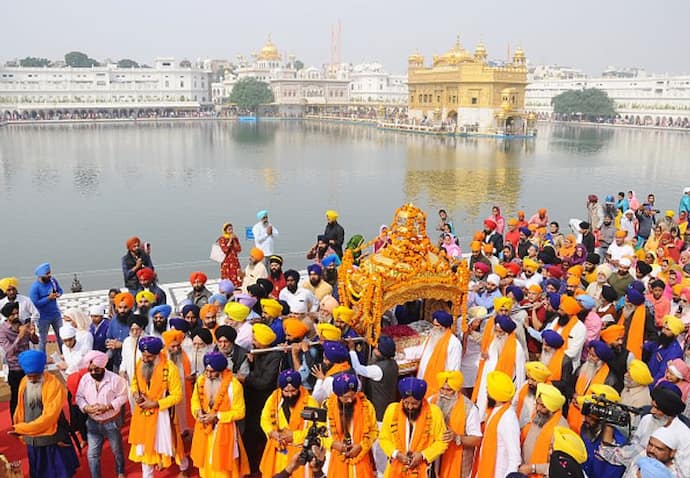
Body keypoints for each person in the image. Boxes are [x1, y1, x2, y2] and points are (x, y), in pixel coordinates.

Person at [9, 350, 79, 478]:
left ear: (42, 371)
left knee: (57, 471)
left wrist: (22, 429)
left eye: (36, 376)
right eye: (29, 376)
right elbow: (20, 408)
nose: (33, 379)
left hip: (51, 437)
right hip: (32, 438)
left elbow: (49, 417)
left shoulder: (53, 384)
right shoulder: (24, 382)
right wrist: (20, 428)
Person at [128, 336, 187, 477]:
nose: (145, 358)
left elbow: (177, 395)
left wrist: (155, 403)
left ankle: (183, 467)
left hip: (163, 414)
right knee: (144, 447)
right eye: (143, 355)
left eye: (149, 356)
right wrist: (136, 394)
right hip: (142, 414)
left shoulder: (170, 368)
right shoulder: (139, 363)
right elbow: (134, 382)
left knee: (173, 444)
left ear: (157, 354)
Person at [190, 351, 250, 478]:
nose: (208, 375)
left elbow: (240, 412)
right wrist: (198, 412)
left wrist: (217, 416)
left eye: (212, 372)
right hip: (204, 431)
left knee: (222, 470)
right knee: (205, 467)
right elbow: (195, 402)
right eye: (206, 371)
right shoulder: (201, 381)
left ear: (221, 371)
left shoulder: (234, 386)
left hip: (224, 432)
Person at [379, 377, 448, 478]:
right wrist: (396, 454)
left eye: (414, 404)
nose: (410, 407)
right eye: (406, 403)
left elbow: (442, 441)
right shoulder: (392, 410)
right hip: (395, 469)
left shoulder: (434, 413)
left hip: (422, 470)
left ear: (421, 400)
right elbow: (384, 438)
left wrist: (423, 455)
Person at [75, 350, 128, 478]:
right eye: (90, 370)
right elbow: (79, 397)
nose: (93, 373)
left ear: (103, 367)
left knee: (117, 450)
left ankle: (120, 472)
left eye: (96, 370)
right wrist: (86, 407)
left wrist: (108, 406)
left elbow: (123, 396)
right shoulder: (85, 379)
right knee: (92, 454)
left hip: (111, 422)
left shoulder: (115, 379)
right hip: (93, 422)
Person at [258, 369, 319, 477]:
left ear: (299, 387)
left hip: (299, 454)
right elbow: (265, 419)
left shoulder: (310, 402)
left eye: (293, 391)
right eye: (286, 391)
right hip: (278, 451)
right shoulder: (274, 399)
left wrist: (294, 436)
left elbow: (315, 430)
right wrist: (272, 433)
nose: (290, 395)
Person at [243, 323, 283, 474]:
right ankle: (252, 468)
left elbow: (264, 382)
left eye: (255, 338)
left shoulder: (275, 356)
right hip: (254, 401)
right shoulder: (260, 352)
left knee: (263, 435)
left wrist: (245, 379)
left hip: (265, 402)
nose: (252, 340)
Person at [324, 373, 378, 478]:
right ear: (337, 394)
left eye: (353, 396)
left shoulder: (366, 405)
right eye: (346, 397)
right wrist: (333, 444)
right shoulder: (327, 406)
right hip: (336, 460)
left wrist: (361, 446)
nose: (350, 400)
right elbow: (320, 434)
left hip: (361, 460)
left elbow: (374, 431)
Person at [473, 314, 525, 419]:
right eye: (496, 331)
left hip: (504, 391)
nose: (497, 334)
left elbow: (520, 375)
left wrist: (516, 399)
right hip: (487, 386)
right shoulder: (494, 342)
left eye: (500, 332)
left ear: (507, 333)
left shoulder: (517, 349)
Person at [430, 371, 482, 478]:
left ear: (457, 390)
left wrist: (456, 437)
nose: (444, 393)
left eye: (448, 390)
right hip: (433, 458)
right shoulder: (432, 401)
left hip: (457, 460)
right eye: (442, 389)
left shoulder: (469, 408)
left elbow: (477, 440)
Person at [403, 310, 462, 398]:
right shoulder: (432, 337)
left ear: (445, 327)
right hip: (423, 378)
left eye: (437, 326)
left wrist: (446, 389)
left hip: (438, 386)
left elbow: (453, 370)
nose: (434, 328)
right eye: (433, 325)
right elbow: (420, 350)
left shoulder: (454, 343)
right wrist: (404, 353)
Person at [473, 371, 521, 478]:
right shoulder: (494, 410)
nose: (486, 391)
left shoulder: (508, 418)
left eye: (488, 389)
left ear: (495, 394)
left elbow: (514, 458)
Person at [518, 383, 568, 477]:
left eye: (543, 406)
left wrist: (533, 468)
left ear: (552, 408)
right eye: (537, 403)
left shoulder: (562, 428)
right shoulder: (539, 417)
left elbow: (561, 466)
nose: (538, 408)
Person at [0, 302, 38, 421]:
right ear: (7, 316)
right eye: (13, 314)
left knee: (32, 395)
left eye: (17, 313)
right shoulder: (2, 331)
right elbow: (8, 352)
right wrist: (19, 337)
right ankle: (16, 422)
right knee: (16, 397)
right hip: (15, 368)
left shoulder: (22, 323)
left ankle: (32, 419)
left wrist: (32, 334)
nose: (16, 316)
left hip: (28, 366)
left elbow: (35, 341)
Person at [567, 341, 617, 432]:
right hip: (573, 412)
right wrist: (574, 395)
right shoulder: (582, 368)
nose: (589, 358)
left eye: (593, 356)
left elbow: (606, 404)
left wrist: (586, 405)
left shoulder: (610, 378)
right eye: (589, 354)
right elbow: (569, 386)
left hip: (590, 422)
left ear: (601, 360)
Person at [28, 262, 63, 352]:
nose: (49, 275)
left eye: (49, 273)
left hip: (56, 314)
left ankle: (64, 355)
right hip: (43, 317)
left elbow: (60, 290)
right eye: (47, 274)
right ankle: (42, 359)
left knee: (61, 336)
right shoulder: (35, 288)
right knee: (43, 340)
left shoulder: (53, 281)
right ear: (41, 275)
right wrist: (48, 298)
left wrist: (58, 294)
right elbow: (35, 303)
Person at [646, 315, 685, 383]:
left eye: (668, 329)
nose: (663, 331)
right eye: (663, 327)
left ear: (675, 333)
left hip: (654, 384)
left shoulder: (674, 352)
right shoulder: (662, 340)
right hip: (647, 376)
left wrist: (649, 387)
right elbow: (649, 346)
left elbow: (663, 373)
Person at [105, 292, 135, 373]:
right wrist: (110, 343)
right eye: (120, 307)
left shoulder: (136, 322)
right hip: (117, 362)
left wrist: (122, 345)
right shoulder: (114, 320)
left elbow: (138, 342)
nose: (122, 310)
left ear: (130, 307)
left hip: (132, 363)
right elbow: (108, 337)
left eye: (125, 307)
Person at [218, 222, 243, 287]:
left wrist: (234, 240)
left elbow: (239, 249)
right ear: (225, 230)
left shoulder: (235, 238)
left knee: (236, 276)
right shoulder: (222, 239)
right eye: (229, 229)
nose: (231, 231)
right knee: (227, 278)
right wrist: (230, 240)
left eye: (231, 229)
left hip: (234, 261)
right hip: (226, 262)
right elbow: (225, 250)